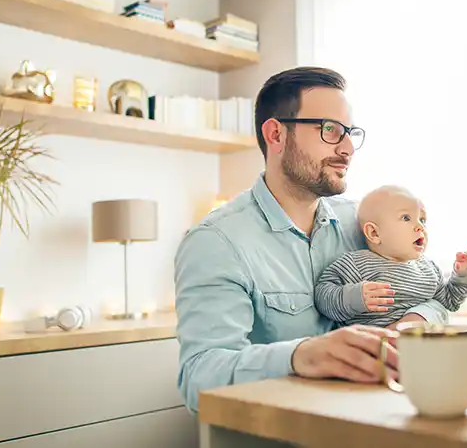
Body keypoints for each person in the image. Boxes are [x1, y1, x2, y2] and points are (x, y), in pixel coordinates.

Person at [173, 67, 449, 413]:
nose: (348, 148)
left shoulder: (363, 223)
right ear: (276, 134)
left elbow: (437, 295)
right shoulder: (215, 242)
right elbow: (199, 378)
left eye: (350, 133)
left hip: (378, 420)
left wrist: (415, 322)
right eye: (330, 130)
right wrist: (299, 356)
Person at [313, 185, 467, 328]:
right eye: (406, 218)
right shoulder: (356, 264)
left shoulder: (428, 269)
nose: (419, 227)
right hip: (371, 351)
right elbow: (323, 295)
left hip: (420, 350)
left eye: (422, 220)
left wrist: (464, 274)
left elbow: (450, 301)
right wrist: (354, 297)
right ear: (374, 233)